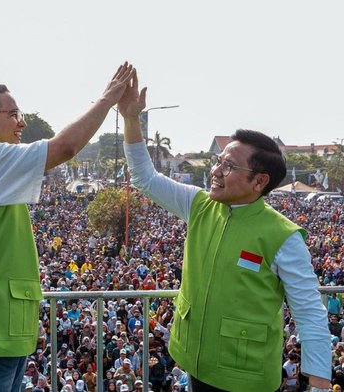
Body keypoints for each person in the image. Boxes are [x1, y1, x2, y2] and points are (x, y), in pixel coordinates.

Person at [117, 71, 331, 391]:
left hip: (247, 377)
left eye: (228, 166)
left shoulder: (283, 237)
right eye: (218, 161)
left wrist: (319, 383)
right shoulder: (199, 205)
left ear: (259, 181)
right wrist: (131, 120)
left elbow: (310, 313)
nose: (215, 171)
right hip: (193, 363)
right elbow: (145, 178)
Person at [0, 62, 136, 392]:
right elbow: (64, 147)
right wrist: (107, 99)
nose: (22, 122)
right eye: (13, 114)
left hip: (0, 330)